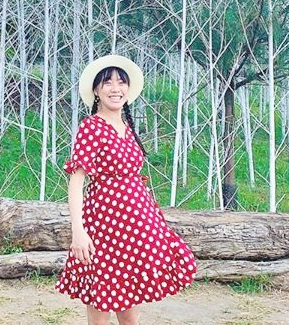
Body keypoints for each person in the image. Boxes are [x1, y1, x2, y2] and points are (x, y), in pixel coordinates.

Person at [55, 54, 197, 324]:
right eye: (107, 82)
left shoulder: (127, 127)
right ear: (96, 90)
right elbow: (76, 181)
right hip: (104, 227)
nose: (115, 88)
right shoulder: (91, 127)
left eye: (121, 82)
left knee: (130, 312)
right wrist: (78, 232)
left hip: (135, 227)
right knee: (101, 303)